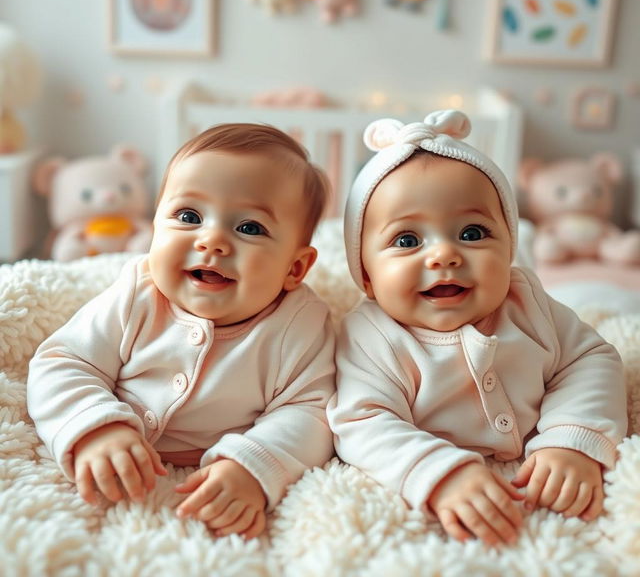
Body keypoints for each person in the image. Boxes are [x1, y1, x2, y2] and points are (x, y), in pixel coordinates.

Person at [327, 110, 627, 547]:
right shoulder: (371, 336)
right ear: (367, 275)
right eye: (407, 241)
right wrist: (438, 472)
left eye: (472, 232)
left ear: (509, 249)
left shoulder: (528, 304)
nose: (445, 255)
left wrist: (572, 439)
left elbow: (590, 359)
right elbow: (361, 422)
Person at [27, 123, 336, 540]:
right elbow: (64, 362)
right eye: (189, 216)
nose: (212, 241)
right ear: (153, 228)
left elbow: (311, 412)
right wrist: (96, 428)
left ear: (295, 268)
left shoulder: (299, 325)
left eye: (249, 228)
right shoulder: (138, 294)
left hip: (207, 472)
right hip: (123, 450)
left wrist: (249, 464)